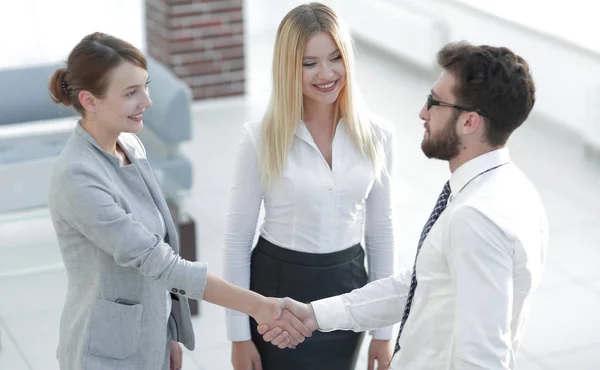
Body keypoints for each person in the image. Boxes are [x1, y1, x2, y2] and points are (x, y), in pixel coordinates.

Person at [259, 41, 549, 369]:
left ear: (469, 122)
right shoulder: (516, 190)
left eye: (434, 102)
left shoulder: (475, 219)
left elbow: (481, 358)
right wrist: (315, 315)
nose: (423, 113)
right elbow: (424, 283)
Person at [47, 32, 310, 370]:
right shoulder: (78, 177)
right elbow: (161, 263)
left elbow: (161, 246)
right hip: (104, 352)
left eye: (145, 86)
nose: (147, 101)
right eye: (131, 93)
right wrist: (258, 306)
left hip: (149, 340)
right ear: (89, 100)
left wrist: (167, 331)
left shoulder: (130, 145)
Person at [222, 2, 396, 370]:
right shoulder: (259, 138)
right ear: (289, 67)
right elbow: (237, 241)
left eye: (335, 57)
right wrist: (239, 336)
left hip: (348, 285)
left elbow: (380, 233)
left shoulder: (378, 135)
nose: (326, 73)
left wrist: (383, 331)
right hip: (278, 290)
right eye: (309, 62)